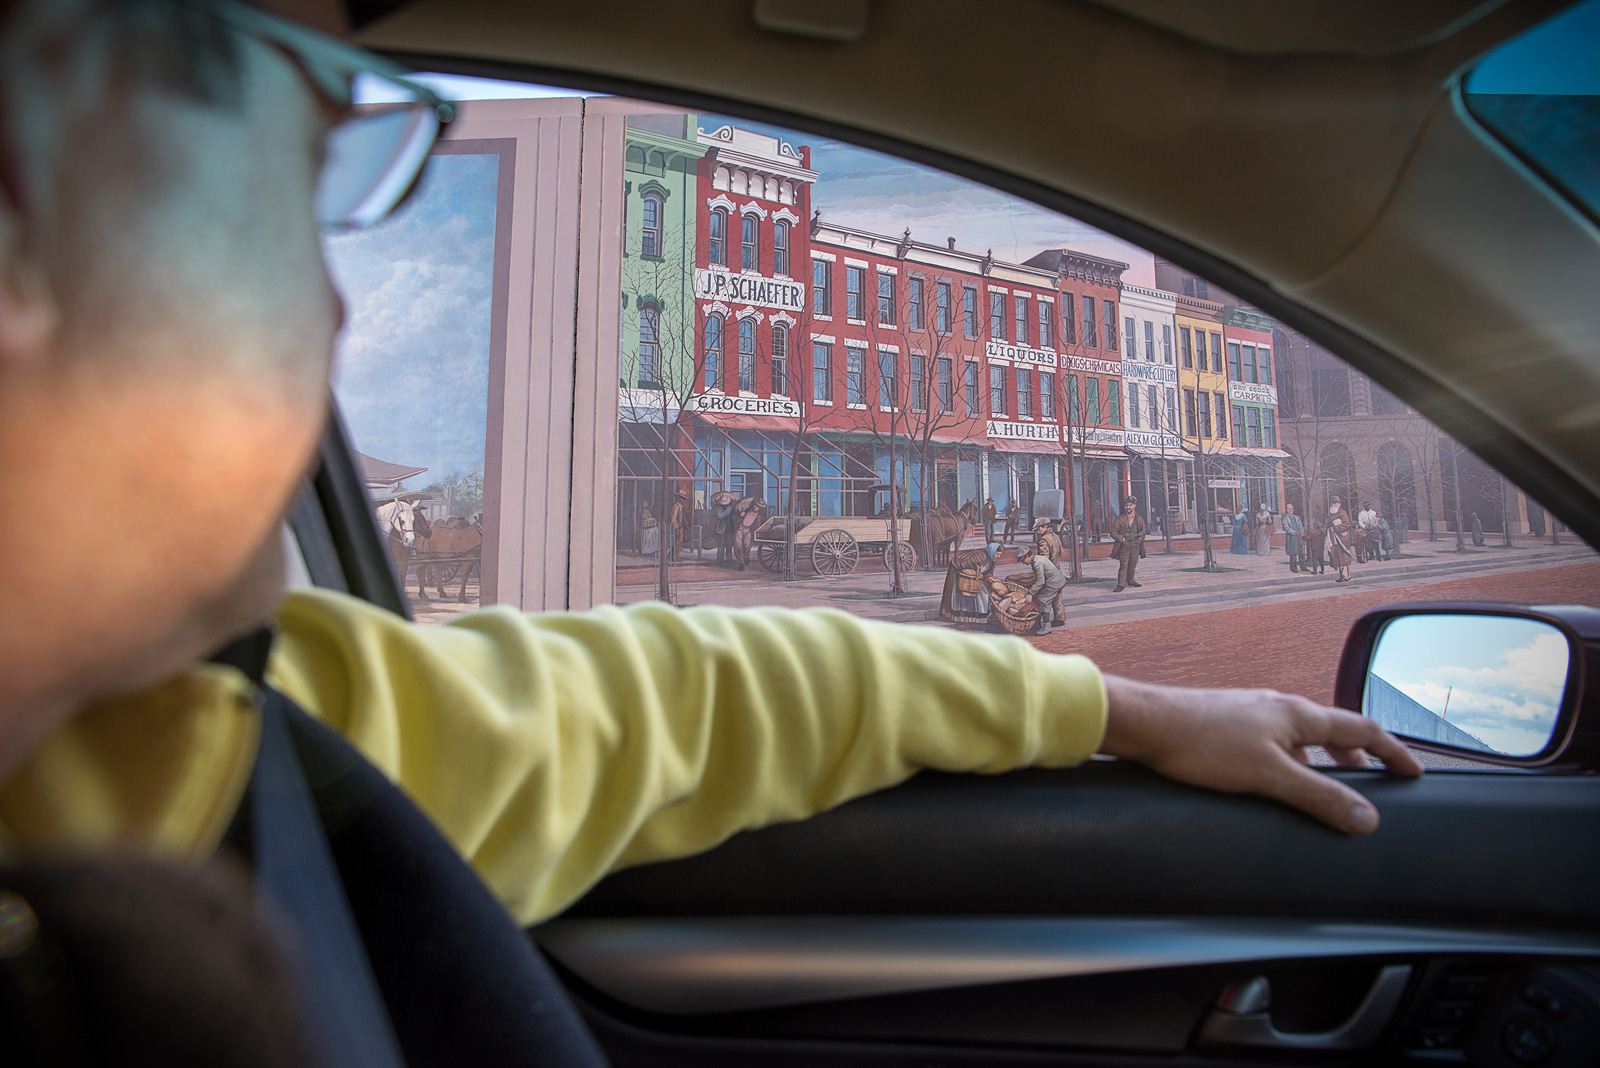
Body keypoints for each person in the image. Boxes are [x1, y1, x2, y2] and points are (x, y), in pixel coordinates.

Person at [0, 1, 1421, 1061]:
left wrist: (1124, 705)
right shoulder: (220, 765)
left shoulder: (241, 742)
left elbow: (682, 695)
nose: (333, 310)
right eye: (265, 130)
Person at [940, 541, 1000, 626]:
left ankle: (975, 616)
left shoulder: (992, 561)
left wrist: (993, 580)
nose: (999, 557)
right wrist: (978, 569)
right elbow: (964, 564)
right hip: (959, 571)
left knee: (982, 594)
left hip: (974, 576)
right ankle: (962, 616)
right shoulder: (981, 556)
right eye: (997, 554)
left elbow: (989, 573)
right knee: (959, 594)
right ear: (992, 551)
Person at [1016, 545, 1067, 637]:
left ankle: (1047, 626)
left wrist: (1030, 593)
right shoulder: (1037, 558)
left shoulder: (1036, 563)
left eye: (1023, 560)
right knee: (1038, 597)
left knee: (1043, 600)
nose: (1023, 563)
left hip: (1055, 582)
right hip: (1055, 579)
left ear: (1027, 556)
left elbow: (1040, 581)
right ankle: (1037, 623)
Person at [1109, 495, 1146, 593]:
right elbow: (1113, 532)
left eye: (1130, 505)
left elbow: (1143, 530)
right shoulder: (1119, 519)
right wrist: (1123, 540)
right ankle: (1121, 584)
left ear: (1134, 506)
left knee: (1133, 563)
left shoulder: (1139, 518)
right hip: (1124, 545)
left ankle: (1131, 580)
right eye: (1126, 505)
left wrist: (1139, 538)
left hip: (1135, 544)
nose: (1128, 507)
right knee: (1123, 564)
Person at [1034, 518, 1066, 624]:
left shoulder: (1043, 540)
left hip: (1048, 572)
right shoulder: (1056, 537)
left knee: (1043, 596)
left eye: (1039, 529)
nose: (1038, 531)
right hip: (1057, 569)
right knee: (1057, 594)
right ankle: (1060, 618)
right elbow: (1061, 552)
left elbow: (1044, 559)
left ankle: (1040, 619)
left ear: (1045, 527)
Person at [733, 496, 765, 571]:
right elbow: (734, 519)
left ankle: (746, 556)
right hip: (739, 529)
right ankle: (741, 563)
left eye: (757, 506)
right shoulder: (746, 510)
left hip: (747, 530)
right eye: (755, 505)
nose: (755, 507)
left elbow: (757, 524)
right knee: (738, 547)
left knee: (747, 545)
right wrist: (739, 516)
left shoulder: (758, 515)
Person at [1327, 496, 1355, 582]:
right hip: (1334, 538)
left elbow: (1346, 525)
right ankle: (1342, 575)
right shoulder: (1331, 514)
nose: (1333, 504)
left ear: (1339, 504)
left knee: (1343, 557)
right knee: (1338, 558)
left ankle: (1346, 575)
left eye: (1335, 503)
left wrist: (1336, 528)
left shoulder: (1342, 513)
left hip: (1342, 539)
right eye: (1332, 503)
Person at [711, 491, 738, 565]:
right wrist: (730, 508)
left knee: (729, 545)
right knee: (721, 545)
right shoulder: (718, 508)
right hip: (721, 530)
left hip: (730, 529)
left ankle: (729, 560)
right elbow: (720, 516)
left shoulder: (731, 507)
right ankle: (719, 561)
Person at [1281, 504, 1305, 572]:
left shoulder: (1297, 517)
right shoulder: (1285, 518)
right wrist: (1295, 532)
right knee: (1293, 554)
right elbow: (1287, 528)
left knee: (1301, 552)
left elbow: (1300, 526)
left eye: (1291, 509)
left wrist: (1301, 532)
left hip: (1298, 537)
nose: (1291, 510)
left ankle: (1303, 567)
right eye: (1289, 509)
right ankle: (1293, 568)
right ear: (1286, 510)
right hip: (1291, 538)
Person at [669, 489, 691, 560]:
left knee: (679, 542)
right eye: (680, 498)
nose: (682, 500)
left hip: (681, 527)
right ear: (677, 498)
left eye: (683, 498)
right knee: (678, 542)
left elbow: (683, 517)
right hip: (678, 527)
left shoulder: (680, 507)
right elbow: (673, 518)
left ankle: (672, 555)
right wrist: (676, 528)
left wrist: (687, 525)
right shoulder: (675, 506)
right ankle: (675, 557)